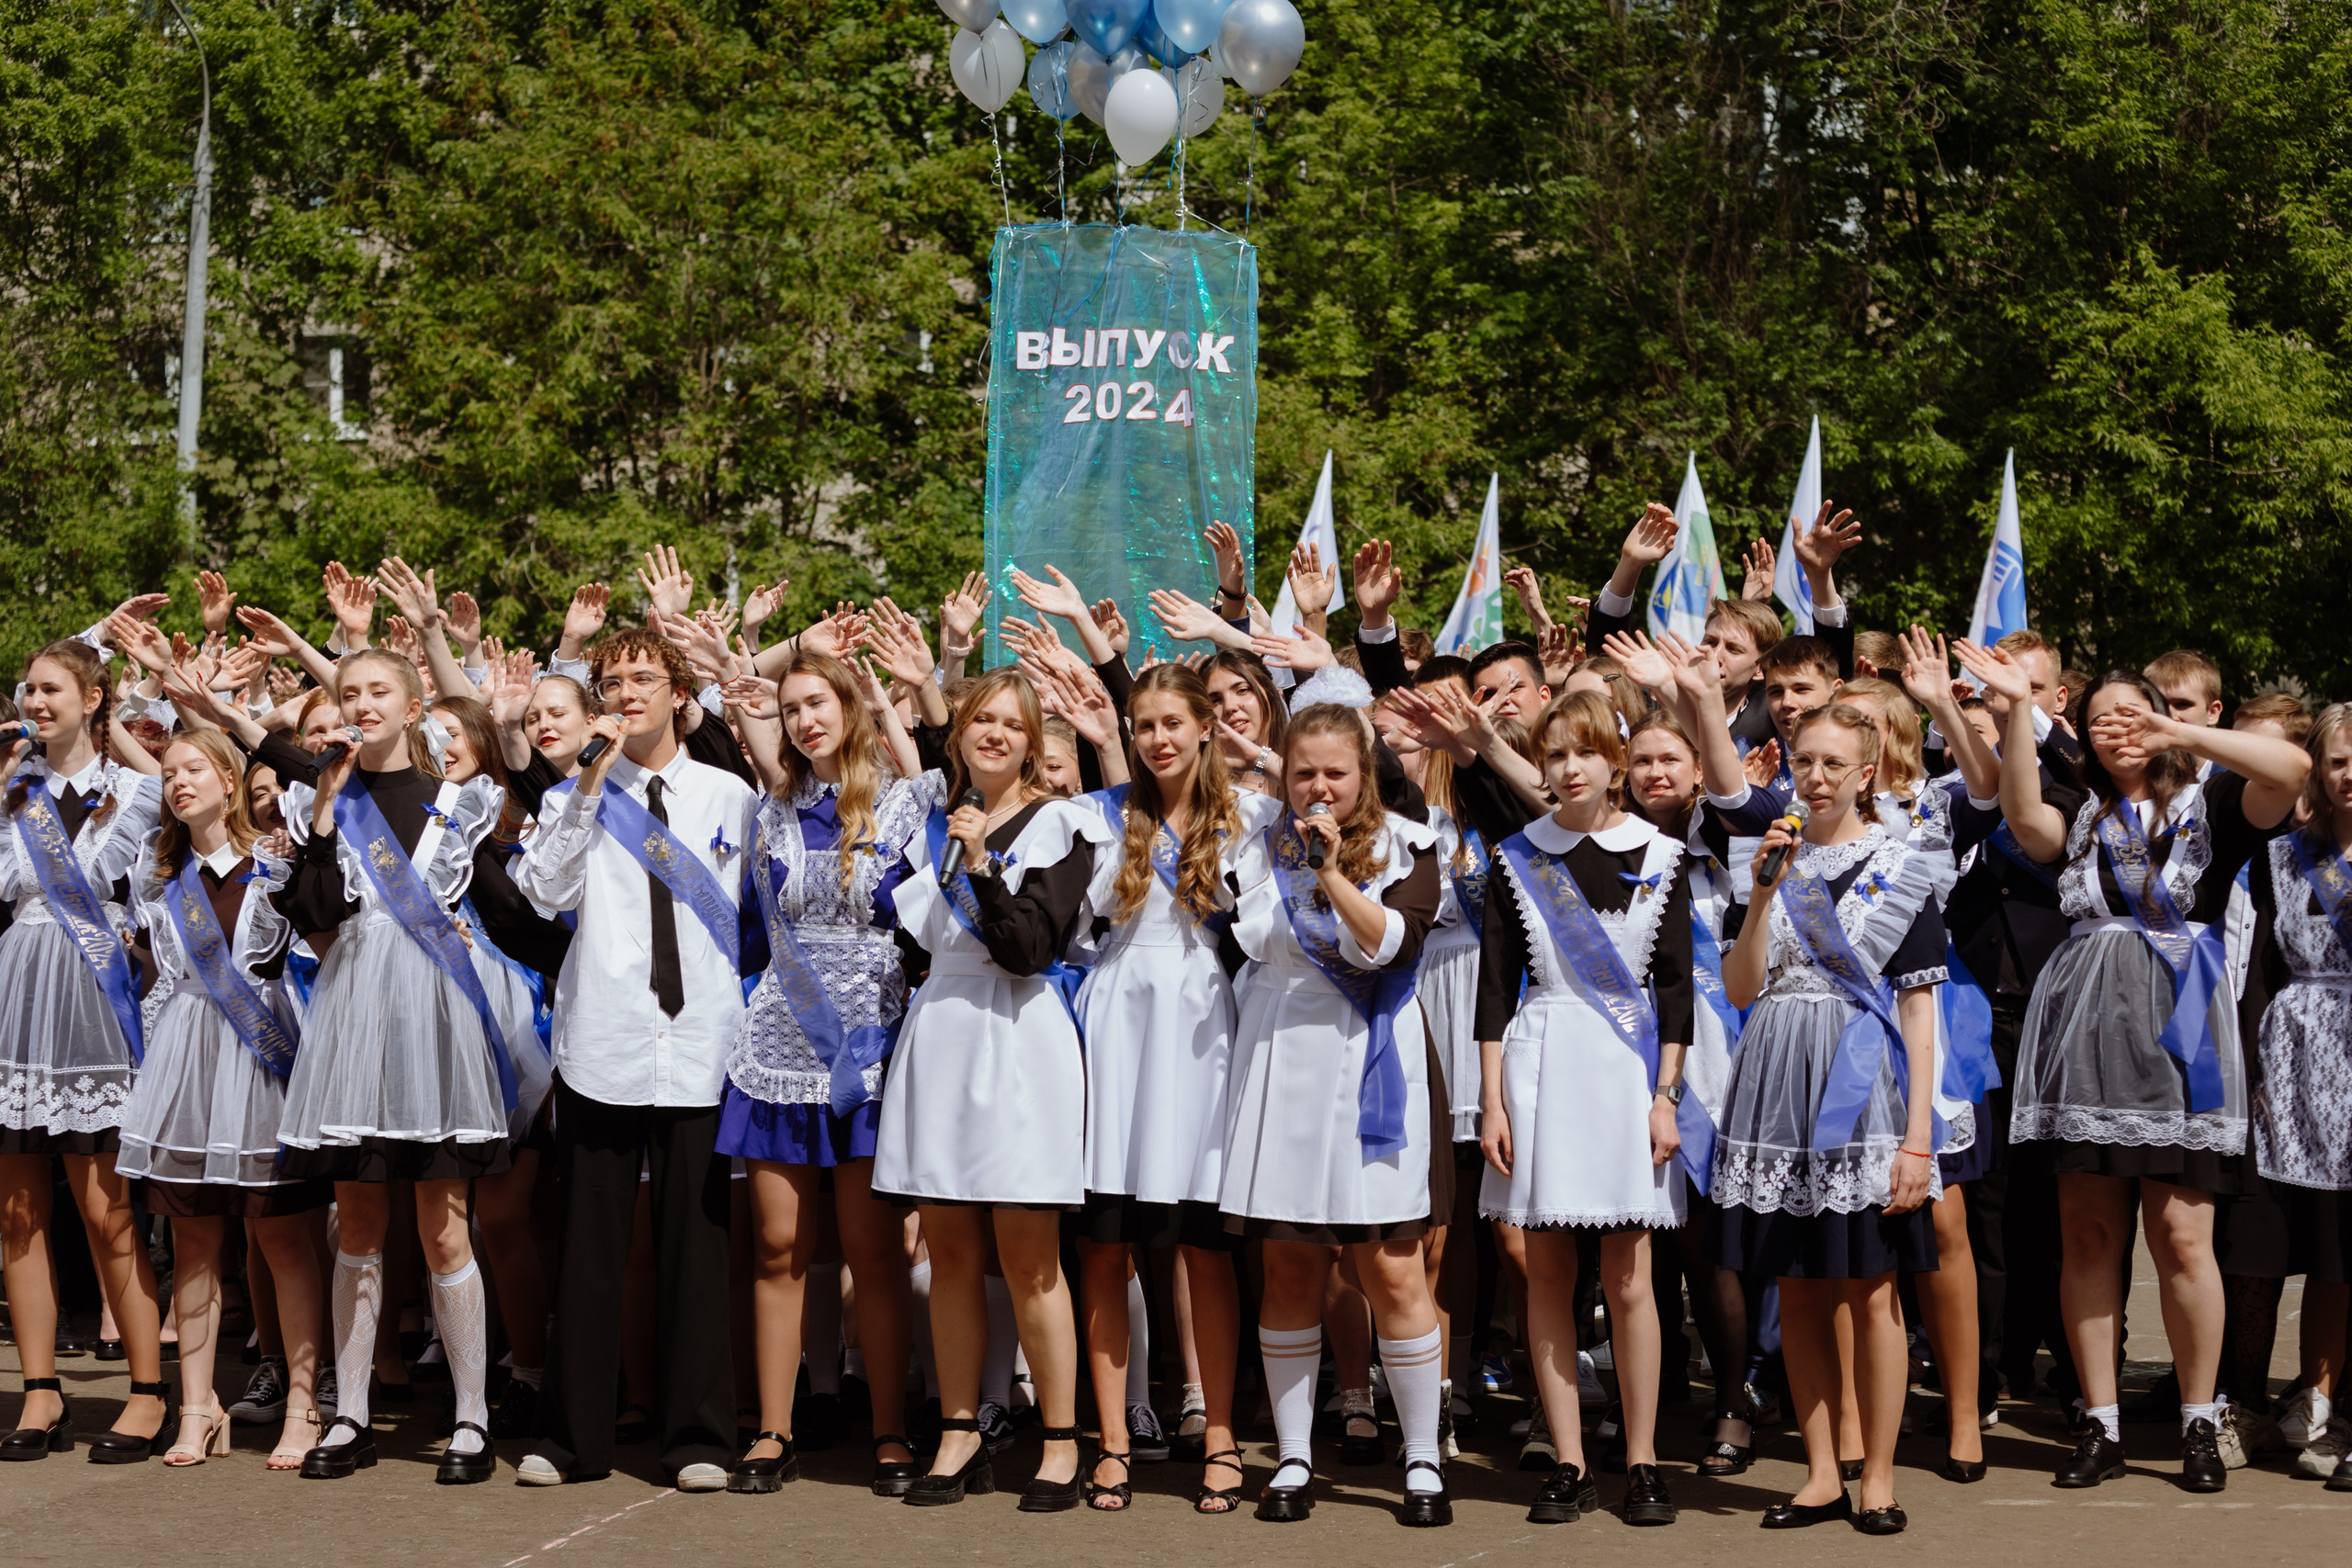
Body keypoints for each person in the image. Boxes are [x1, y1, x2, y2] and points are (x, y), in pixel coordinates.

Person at [1958, 646, 2310, 1493]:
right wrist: (2011, 709)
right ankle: (2101, 1421)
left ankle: (2197, 1418)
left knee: (2184, 1237)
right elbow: (2020, 809)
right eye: (2101, 717)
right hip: (2086, 1040)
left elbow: (2292, 767)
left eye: (2132, 712)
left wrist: (2175, 730)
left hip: (2181, 1039)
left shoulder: (2215, 801)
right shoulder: (2078, 811)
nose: (2115, 727)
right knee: (2089, 1235)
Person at [511, 626, 762, 1494]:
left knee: (697, 1248)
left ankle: (699, 1436)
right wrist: (586, 780)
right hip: (606, 1043)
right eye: (611, 681)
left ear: (679, 692)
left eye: (644, 678)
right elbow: (543, 892)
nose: (627, 693)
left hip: (701, 1043)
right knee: (589, 1249)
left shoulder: (730, 796)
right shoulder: (568, 796)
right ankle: (572, 1437)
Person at [871, 669, 1112, 1510]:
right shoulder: (932, 827)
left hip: (1018, 1034)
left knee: (1030, 1257)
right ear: (959, 734)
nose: (998, 735)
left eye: (1015, 723)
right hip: (945, 1030)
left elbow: (1029, 948)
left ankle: (1056, 1439)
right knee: (951, 1253)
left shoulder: (1064, 825)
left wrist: (979, 861)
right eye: (984, 721)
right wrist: (957, 848)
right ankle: (959, 1429)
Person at [273, 648, 513, 1483]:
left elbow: (508, 912)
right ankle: (350, 1414)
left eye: (379, 691)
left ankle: (473, 1418)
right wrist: (325, 818)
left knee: (443, 1222)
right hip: (351, 1023)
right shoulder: (326, 796)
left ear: (414, 708)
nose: (362, 703)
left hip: (433, 1023)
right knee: (359, 1220)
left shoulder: (457, 800)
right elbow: (314, 914)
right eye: (350, 692)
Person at [1713, 703, 1947, 1535]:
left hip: (1863, 1088)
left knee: (1872, 1288)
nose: (1814, 777)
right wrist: (1759, 898)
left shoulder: (1901, 864)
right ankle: (1818, 1472)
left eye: (1831, 764)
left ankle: (1876, 1474)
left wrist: (1919, 1137)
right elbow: (1741, 988)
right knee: (1799, 1288)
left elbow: (1920, 1010)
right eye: (1802, 761)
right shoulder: (1770, 860)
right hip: (1774, 1080)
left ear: (1865, 772)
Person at [1216, 703, 1452, 1528]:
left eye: (1335, 773)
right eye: (1303, 772)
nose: (1318, 786)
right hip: (1281, 1054)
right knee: (1289, 1267)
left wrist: (1327, 872)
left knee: (1391, 1268)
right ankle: (1291, 1456)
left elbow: (1391, 944)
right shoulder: (1250, 845)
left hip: (1370, 1058)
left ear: (1366, 774)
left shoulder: (1412, 847)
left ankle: (1421, 1454)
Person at [1475, 691, 1701, 1528]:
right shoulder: (1516, 854)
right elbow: (1496, 985)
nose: (1569, 768)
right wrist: (1492, 1099)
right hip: (1540, 1063)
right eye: (1555, 753)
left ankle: (1641, 1458)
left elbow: (1675, 986)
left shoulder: (1662, 852)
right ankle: (1568, 1461)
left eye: (1585, 752)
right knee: (1546, 1270)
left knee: (1631, 1272)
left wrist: (1666, 1096)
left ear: (1615, 760)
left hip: (1626, 1070)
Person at [714, 649, 924, 1496]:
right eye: (791, 708)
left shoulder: (906, 803)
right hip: (780, 1044)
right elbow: (754, 937)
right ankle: (774, 1428)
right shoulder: (772, 811)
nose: (805, 720)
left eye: (819, 702)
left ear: (851, 706)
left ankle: (889, 1427)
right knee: (776, 1247)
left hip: (869, 1049)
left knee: (873, 1252)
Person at [1073, 665, 1280, 1512]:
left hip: (1205, 1029)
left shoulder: (1255, 815)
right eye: (1142, 723)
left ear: (1206, 727)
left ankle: (1222, 1433)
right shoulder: (1097, 814)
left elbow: (1271, 928)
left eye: (1172, 722)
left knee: (1206, 1245)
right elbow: (1076, 929)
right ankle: (1116, 1438)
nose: (1157, 737)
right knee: (1107, 1243)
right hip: (1118, 1024)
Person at [116, 729, 328, 1469]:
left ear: (230, 776)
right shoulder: (158, 866)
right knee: (195, 1241)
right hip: (188, 1059)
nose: (177, 781)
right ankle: (199, 1406)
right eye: (168, 771)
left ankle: (305, 1402)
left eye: (193, 767)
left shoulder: (272, 857)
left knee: (282, 1239)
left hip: (261, 1056)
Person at [0, 637, 169, 1463]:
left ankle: (145, 1391)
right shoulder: (10, 793)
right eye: (27, 689)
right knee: (17, 1212)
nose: (35, 702)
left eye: (51, 688)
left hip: (94, 1005)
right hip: (16, 1004)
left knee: (107, 1208)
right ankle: (39, 1390)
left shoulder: (135, 789)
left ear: (93, 697)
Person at [2243, 705, 2352, 1487]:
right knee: (2293, 1235)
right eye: (2341, 759)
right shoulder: (2280, 859)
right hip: (2294, 1055)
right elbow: (2252, 968)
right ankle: (2280, 1396)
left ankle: (2327, 1395)